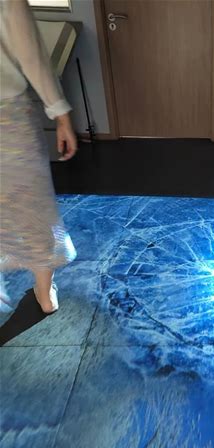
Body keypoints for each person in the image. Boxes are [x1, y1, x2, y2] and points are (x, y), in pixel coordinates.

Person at [0, 0, 77, 314]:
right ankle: (45, 296)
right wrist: (61, 115)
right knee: (35, 209)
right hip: (9, 117)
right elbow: (31, 56)